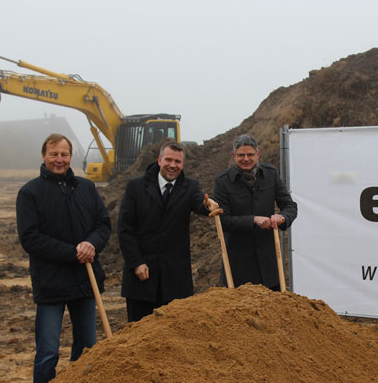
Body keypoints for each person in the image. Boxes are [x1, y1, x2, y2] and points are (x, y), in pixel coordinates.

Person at [16, 133, 111, 383]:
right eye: (54, 154)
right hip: (51, 283)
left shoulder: (86, 188)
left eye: (64, 154)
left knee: (87, 348)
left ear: (71, 156)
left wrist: (91, 244)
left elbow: (103, 224)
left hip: (85, 281)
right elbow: (30, 237)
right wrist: (73, 252)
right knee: (48, 351)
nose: (59, 159)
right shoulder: (30, 193)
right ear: (44, 156)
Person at [117, 141, 218, 322]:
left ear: (183, 164)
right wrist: (136, 262)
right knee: (140, 336)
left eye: (177, 162)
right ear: (159, 160)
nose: (173, 165)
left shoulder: (190, 186)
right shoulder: (136, 187)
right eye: (168, 160)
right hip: (142, 279)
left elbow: (199, 203)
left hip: (175, 281)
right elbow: (125, 229)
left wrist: (208, 205)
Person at [212, 134, 297, 290]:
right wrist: (252, 220)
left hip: (269, 265)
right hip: (238, 266)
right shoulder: (222, 181)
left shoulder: (271, 174)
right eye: (241, 155)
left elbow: (290, 206)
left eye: (250, 154)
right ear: (234, 156)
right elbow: (223, 221)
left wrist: (282, 217)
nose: (246, 159)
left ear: (257, 154)